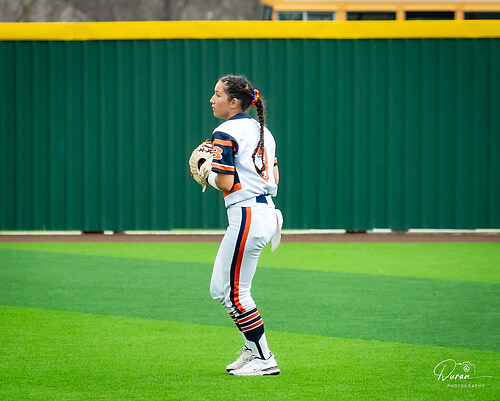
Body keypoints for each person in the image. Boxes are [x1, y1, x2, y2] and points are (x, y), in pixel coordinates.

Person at [204, 75, 282, 376]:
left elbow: (224, 182)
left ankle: (264, 359)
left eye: (218, 94)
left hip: (248, 213)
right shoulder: (263, 131)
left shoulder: (225, 131)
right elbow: (274, 177)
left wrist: (206, 173)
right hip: (263, 211)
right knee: (220, 288)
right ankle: (253, 350)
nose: (212, 99)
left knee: (236, 293)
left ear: (234, 102)